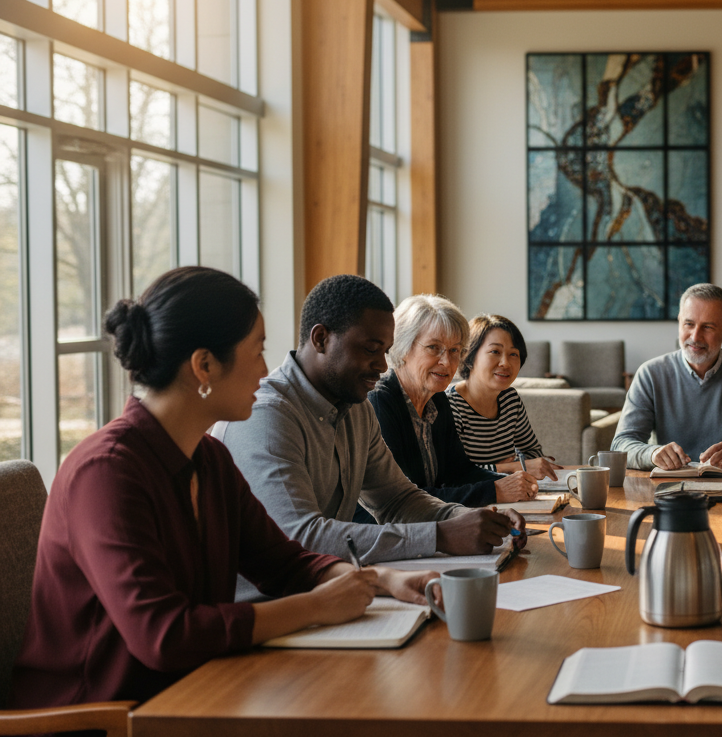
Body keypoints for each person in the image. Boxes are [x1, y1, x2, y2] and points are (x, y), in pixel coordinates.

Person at [12, 267, 438, 708]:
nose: (264, 370)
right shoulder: (105, 472)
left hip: (192, 692)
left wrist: (377, 580)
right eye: (257, 352)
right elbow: (164, 636)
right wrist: (316, 606)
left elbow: (283, 562)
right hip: (104, 717)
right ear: (204, 365)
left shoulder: (209, 458)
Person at [214, 275, 525, 585]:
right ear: (321, 338)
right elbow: (300, 538)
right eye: (371, 349)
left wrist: (467, 519)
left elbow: (397, 500)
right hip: (267, 608)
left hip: (333, 589)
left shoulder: (357, 408)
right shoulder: (266, 415)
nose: (384, 366)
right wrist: (439, 536)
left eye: (385, 350)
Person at [368, 295, 539, 511]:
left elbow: (460, 472)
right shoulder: (380, 404)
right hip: (381, 534)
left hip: (430, 524)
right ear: (403, 347)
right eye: (433, 347)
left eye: (454, 350)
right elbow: (403, 499)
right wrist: (495, 490)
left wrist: (510, 482)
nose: (447, 362)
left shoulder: (437, 399)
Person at [612, 283, 722, 471]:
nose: (695, 337)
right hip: (668, 491)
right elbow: (621, 445)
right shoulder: (650, 374)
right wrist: (652, 454)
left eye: (708, 327)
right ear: (679, 322)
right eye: (689, 324)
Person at [449, 314, 563, 478]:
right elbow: (454, 473)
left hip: (510, 493)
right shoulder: (450, 405)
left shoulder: (510, 399)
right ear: (468, 355)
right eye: (495, 351)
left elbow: (533, 452)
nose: (505, 363)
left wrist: (508, 466)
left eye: (513, 354)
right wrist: (510, 467)